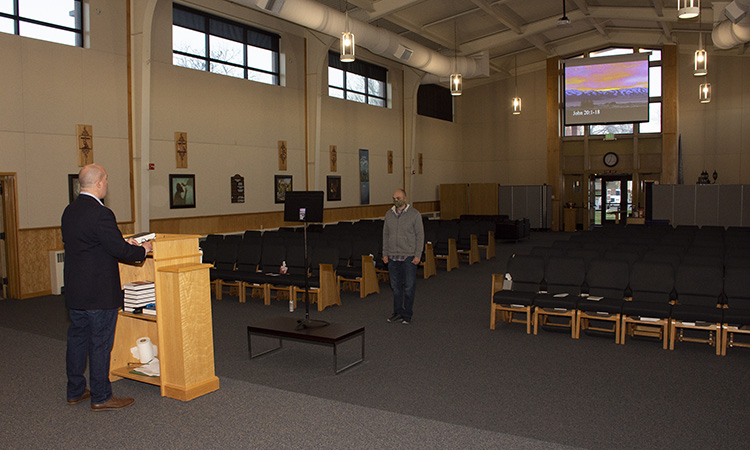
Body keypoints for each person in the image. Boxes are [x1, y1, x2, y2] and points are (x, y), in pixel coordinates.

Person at [61, 164, 153, 411]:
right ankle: (101, 396)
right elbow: (118, 250)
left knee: (78, 340)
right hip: (99, 292)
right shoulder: (102, 213)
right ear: (100, 182)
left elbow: (91, 244)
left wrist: (122, 242)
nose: (107, 184)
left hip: (76, 291)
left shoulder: (69, 211)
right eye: (106, 180)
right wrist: (142, 249)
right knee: (100, 343)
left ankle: (75, 390)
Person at [382, 189, 424, 325]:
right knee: (395, 287)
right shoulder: (389, 214)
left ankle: (407, 314)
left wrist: (418, 255)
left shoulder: (415, 215)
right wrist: (385, 253)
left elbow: (420, 236)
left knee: (409, 287)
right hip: (393, 256)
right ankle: (397, 312)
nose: (396, 200)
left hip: (408, 256)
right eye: (394, 198)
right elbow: (386, 235)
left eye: (398, 197)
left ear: (405, 199)